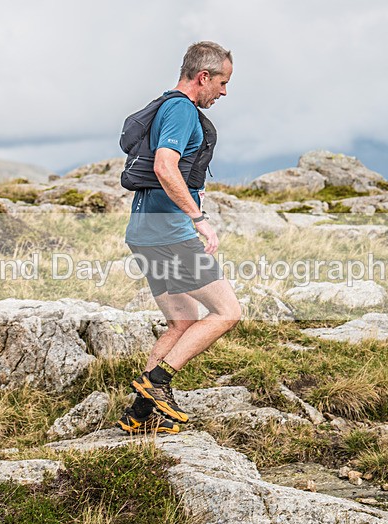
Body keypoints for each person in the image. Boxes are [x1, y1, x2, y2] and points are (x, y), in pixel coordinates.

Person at [117, 41, 242, 434]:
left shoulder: (167, 106)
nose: (224, 92)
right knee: (227, 312)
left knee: (182, 320)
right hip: (168, 231)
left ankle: (138, 415)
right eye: (222, 82)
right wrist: (198, 218)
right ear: (203, 77)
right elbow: (165, 165)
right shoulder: (182, 110)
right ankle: (159, 382)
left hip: (144, 231)